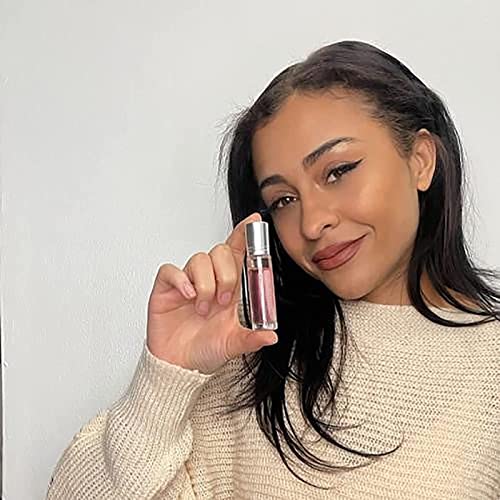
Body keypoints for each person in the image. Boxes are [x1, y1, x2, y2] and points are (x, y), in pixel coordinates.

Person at [46, 40, 500, 499]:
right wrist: (166, 375)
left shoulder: (490, 362)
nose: (311, 222)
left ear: (420, 160)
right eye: (283, 199)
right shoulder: (254, 357)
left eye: (338, 171)